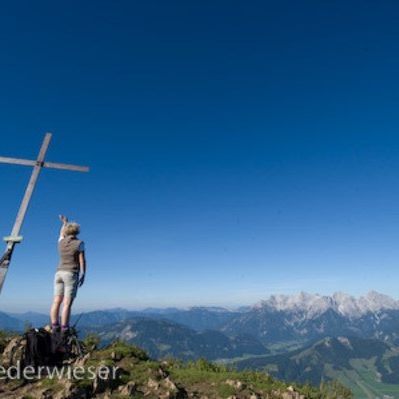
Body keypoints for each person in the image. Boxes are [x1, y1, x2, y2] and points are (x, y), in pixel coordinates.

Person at [50, 215, 86, 336]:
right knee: (67, 303)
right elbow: (82, 260)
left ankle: (54, 326)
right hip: (71, 273)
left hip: (58, 273)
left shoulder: (60, 242)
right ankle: (64, 328)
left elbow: (61, 232)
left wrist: (64, 223)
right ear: (77, 231)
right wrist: (83, 274)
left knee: (56, 301)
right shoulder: (79, 243)